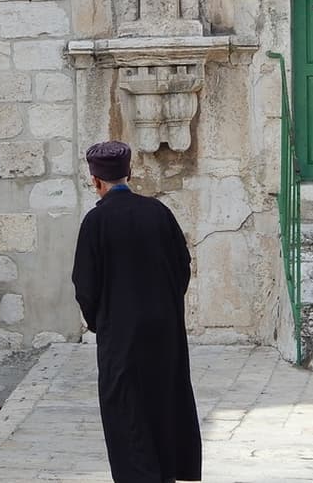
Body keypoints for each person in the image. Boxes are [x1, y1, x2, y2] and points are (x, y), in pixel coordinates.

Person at [71, 141, 202, 483]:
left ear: (95, 180)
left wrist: (102, 322)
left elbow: (85, 285)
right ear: (129, 173)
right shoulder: (158, 212)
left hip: (121, 336)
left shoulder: (95, 222)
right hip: (164, 333)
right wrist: (167, 306)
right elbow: (182, 267)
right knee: (162, 403)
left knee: (127, 414)